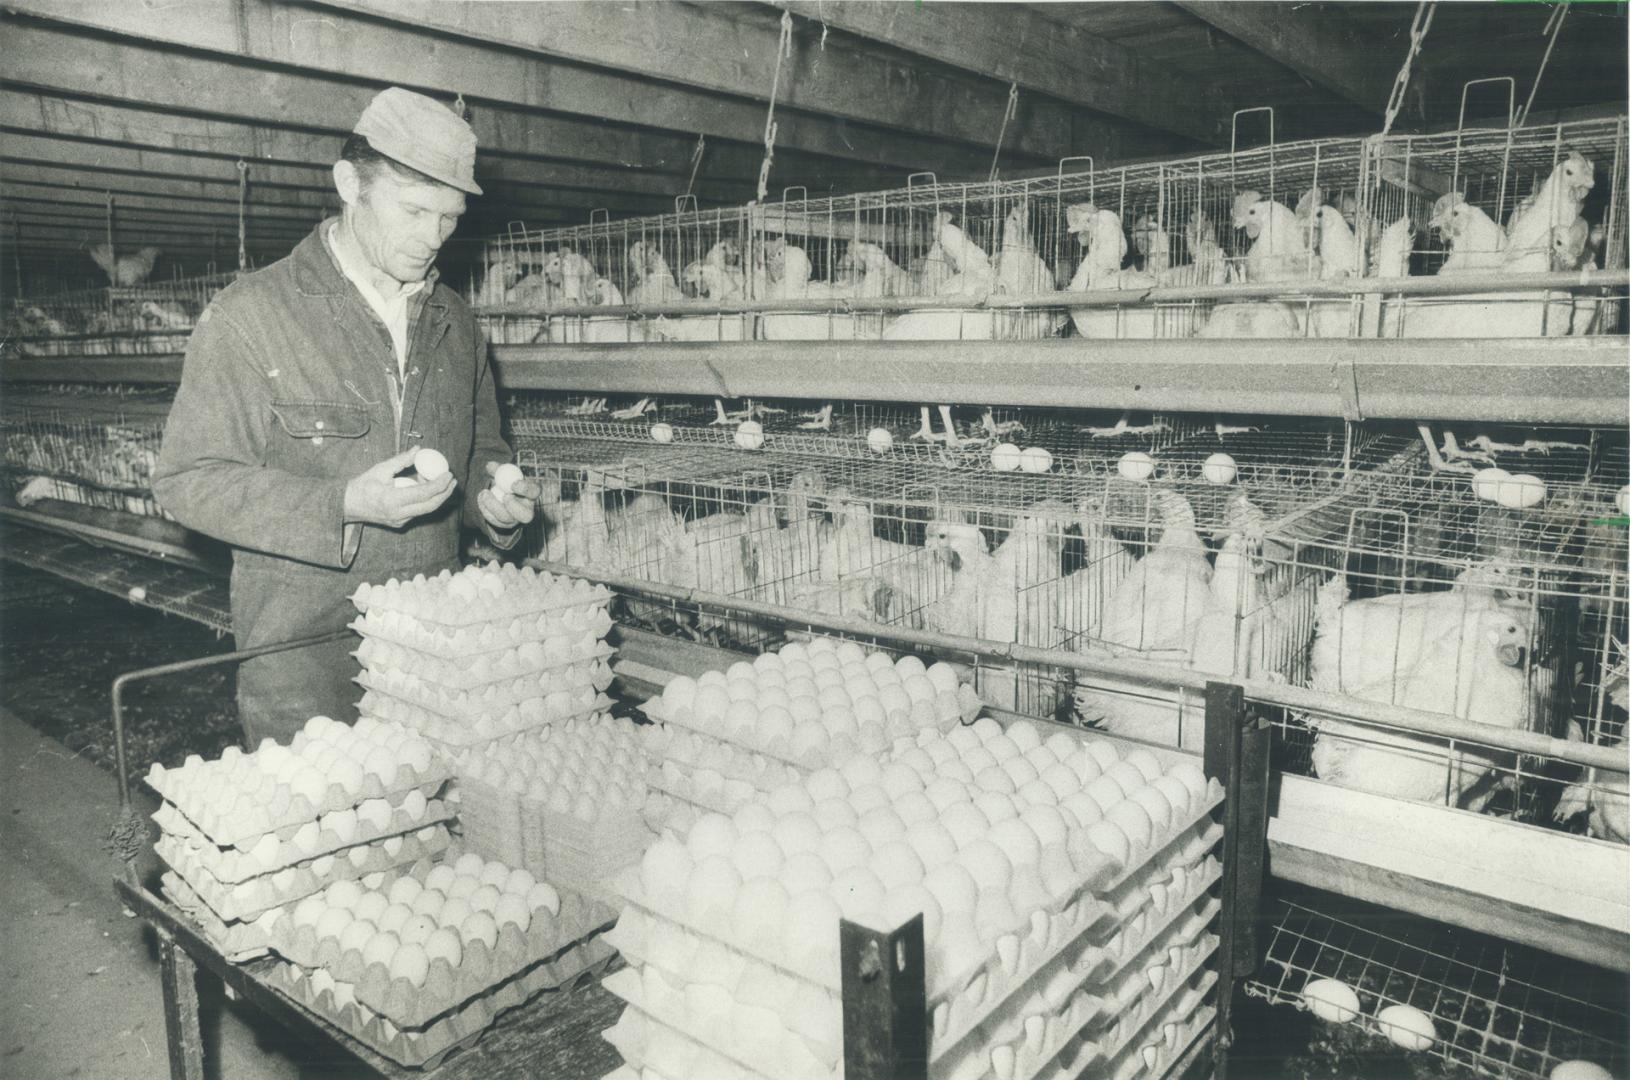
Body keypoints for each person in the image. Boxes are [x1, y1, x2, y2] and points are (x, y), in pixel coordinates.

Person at [153, 87, 538, 747]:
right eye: (413, 209)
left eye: (448, 217)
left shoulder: (457, 324)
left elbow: (480, 450)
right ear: (348, 185)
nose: (431, 238)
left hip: (429, 653)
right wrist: (345, 504)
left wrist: (493, 498)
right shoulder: (252, 314)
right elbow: (188, 481)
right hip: (304, 664)